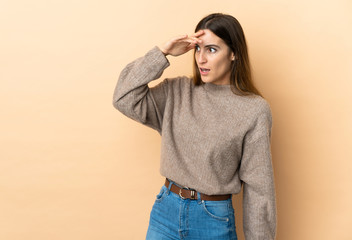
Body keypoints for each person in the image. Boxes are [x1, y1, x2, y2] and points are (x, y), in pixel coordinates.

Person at [113, 13, 276, 240]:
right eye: (198, 49)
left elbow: (259, 190)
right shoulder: (176, 92)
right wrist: (162, 53)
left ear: (233, 53)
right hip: (165, 213)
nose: (200, 59)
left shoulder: (253, 110)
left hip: (213, 221)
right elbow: (124, 97)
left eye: (211, 49)